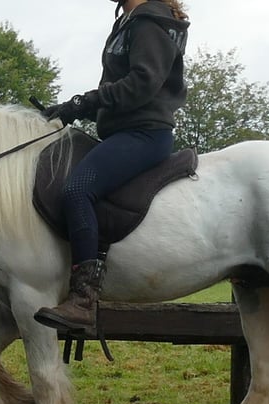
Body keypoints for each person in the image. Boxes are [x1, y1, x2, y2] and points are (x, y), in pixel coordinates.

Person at [34, 0, 190, 333]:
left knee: (77, 190)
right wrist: (71, 109)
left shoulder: (148, 21)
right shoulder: (131, 21)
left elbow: (143, 84)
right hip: (125, 131)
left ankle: (83, 300)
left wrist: (84, 102)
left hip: (144, 134)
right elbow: (120, 95)